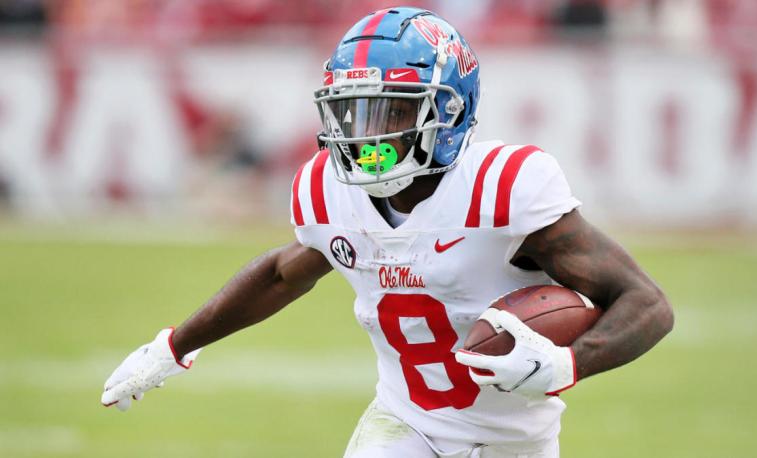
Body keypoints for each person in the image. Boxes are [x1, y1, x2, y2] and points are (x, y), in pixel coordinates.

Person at [100, 6, 674, 458]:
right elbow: (281, 274)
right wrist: (172, 347)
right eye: (353, 112)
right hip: (404, 426)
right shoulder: (330, 191)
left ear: (449, 112)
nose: (365, 134)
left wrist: (568, 363)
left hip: (515, 445)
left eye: (390, 112)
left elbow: (646, 304)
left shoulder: (502, 190)